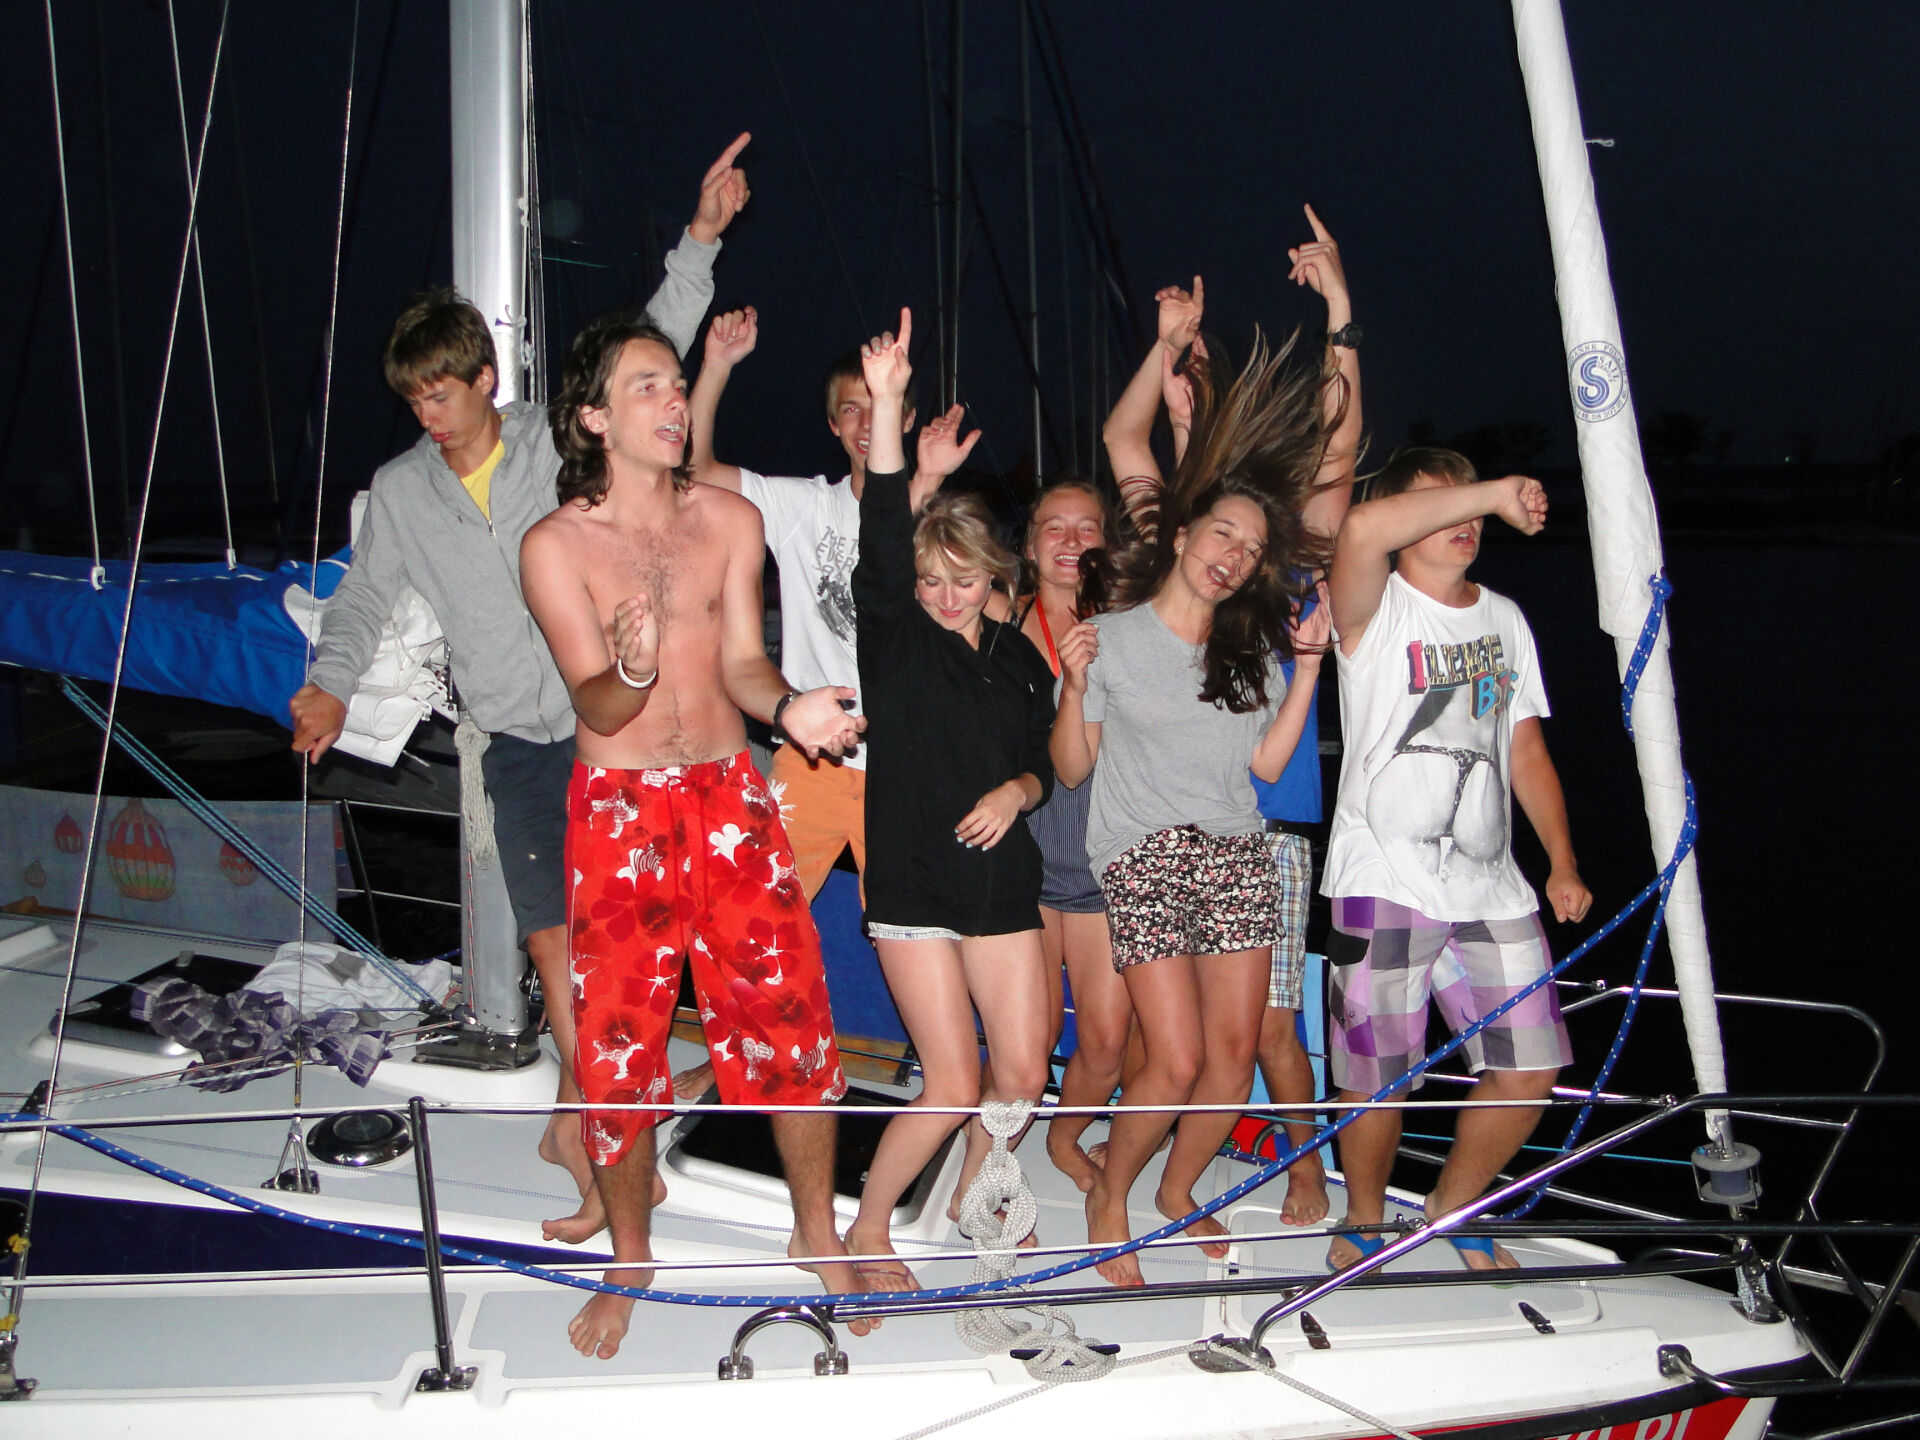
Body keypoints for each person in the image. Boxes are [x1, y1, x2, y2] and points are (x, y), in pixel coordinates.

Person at [288, 134, 756, 1246]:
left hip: (614, 738)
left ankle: (581, 1130)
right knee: (560, 962)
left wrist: (701, 238)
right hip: (516, 747)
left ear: (485, 382)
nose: (430, 414)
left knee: (616, 969)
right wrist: (328, 688)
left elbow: (650, 350)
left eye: (443, 392)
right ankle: (598, 1151)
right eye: (414, 398)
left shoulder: (555, 442)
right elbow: (363, 599)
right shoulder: (403, 491)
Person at [518, 310, 869, 1359]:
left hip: (730, 798)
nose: (674, 401)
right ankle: (632, 1255)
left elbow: (744, 665)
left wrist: (791, 708)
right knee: (618, 1048)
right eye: (648, 386)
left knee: (792, 1022)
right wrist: (629, 669)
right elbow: (596, 701)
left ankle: (816, 1230)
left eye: (678, 384)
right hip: (619, 813)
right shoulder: (555, 546)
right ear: (593, 417)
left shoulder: (729, 521)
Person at [1091, 206, 1363, 1227]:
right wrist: (1167, 351)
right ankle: (1140, 1183)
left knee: (1256, 1039)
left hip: (1263, 816)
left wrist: (1340, 313)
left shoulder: (1277, 569)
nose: (1233, 550)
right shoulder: (1165, 545)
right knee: (1176, 1047)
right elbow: (1127, 438)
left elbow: (1338, 455)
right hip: (1160, 828)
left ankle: (1229, 1179)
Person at [1052, 331, 1335, 1288]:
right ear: (1181, 535)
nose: (1234, 557)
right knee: (1171, 1063)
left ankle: (1176, 1191)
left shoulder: (1248, 650)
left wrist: (1306, 669)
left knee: (1230, 1060)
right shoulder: (1111, 637)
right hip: (1143, 855)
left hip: (1235, 852)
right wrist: (1072, 687)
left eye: (1250, 551)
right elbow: (1074, 767)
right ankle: (1112, 1195)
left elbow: (1264, 762)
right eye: (1222, 536)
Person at [671, 306, 979, 1100]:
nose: (864, 422)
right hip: (809, 762)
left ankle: (945, 1079)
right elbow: (693, 470)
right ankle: (726, 1061)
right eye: (849, 409)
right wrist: (717, 366)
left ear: (904, 415)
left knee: (920, 931)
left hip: (904, 774)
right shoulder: (802, 505)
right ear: (834, 425)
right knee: (746, 920)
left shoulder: (938, 522)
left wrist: (929, 480)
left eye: (878, 407)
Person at [1320, 447, 1591, 1272]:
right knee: (1377, 1078)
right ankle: (1364, 1218)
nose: (1465, 518)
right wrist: (1495, 489)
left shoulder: (1504, 619)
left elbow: (1525, 747)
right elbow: (1359, 528)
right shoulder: (1372, 607)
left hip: (1490, 883)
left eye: (1471, 506)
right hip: (1382, 879)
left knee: (1531, 1068)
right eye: (1443, 505)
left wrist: (1563, 861)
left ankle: (1454, 1205)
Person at [839, 309, 1057, 1298]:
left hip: (1002, 882)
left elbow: (1042, 763)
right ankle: (868, 1226)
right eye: (931, 579)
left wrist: (1019, 788)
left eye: (962, 578)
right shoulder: (896, 641)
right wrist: (888, 406)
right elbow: (884, 528)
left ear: (991, 574)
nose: (945, 594)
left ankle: (978, 1190)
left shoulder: (1019, 658)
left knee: (1023, 1074)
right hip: (917, 885)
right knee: (954, 1080)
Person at [1015, 477, 1135, 1196]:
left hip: (1103, 855)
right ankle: (990, 1164)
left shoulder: (1132, 626)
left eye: (1086, 527)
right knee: (1025, 1044)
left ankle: (1063, 1136)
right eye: (1052, 527)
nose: (1069, 540)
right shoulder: (995, 619)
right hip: (1018, 857)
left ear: (1107, 543)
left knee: (1107, 1041)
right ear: (1030, 546)